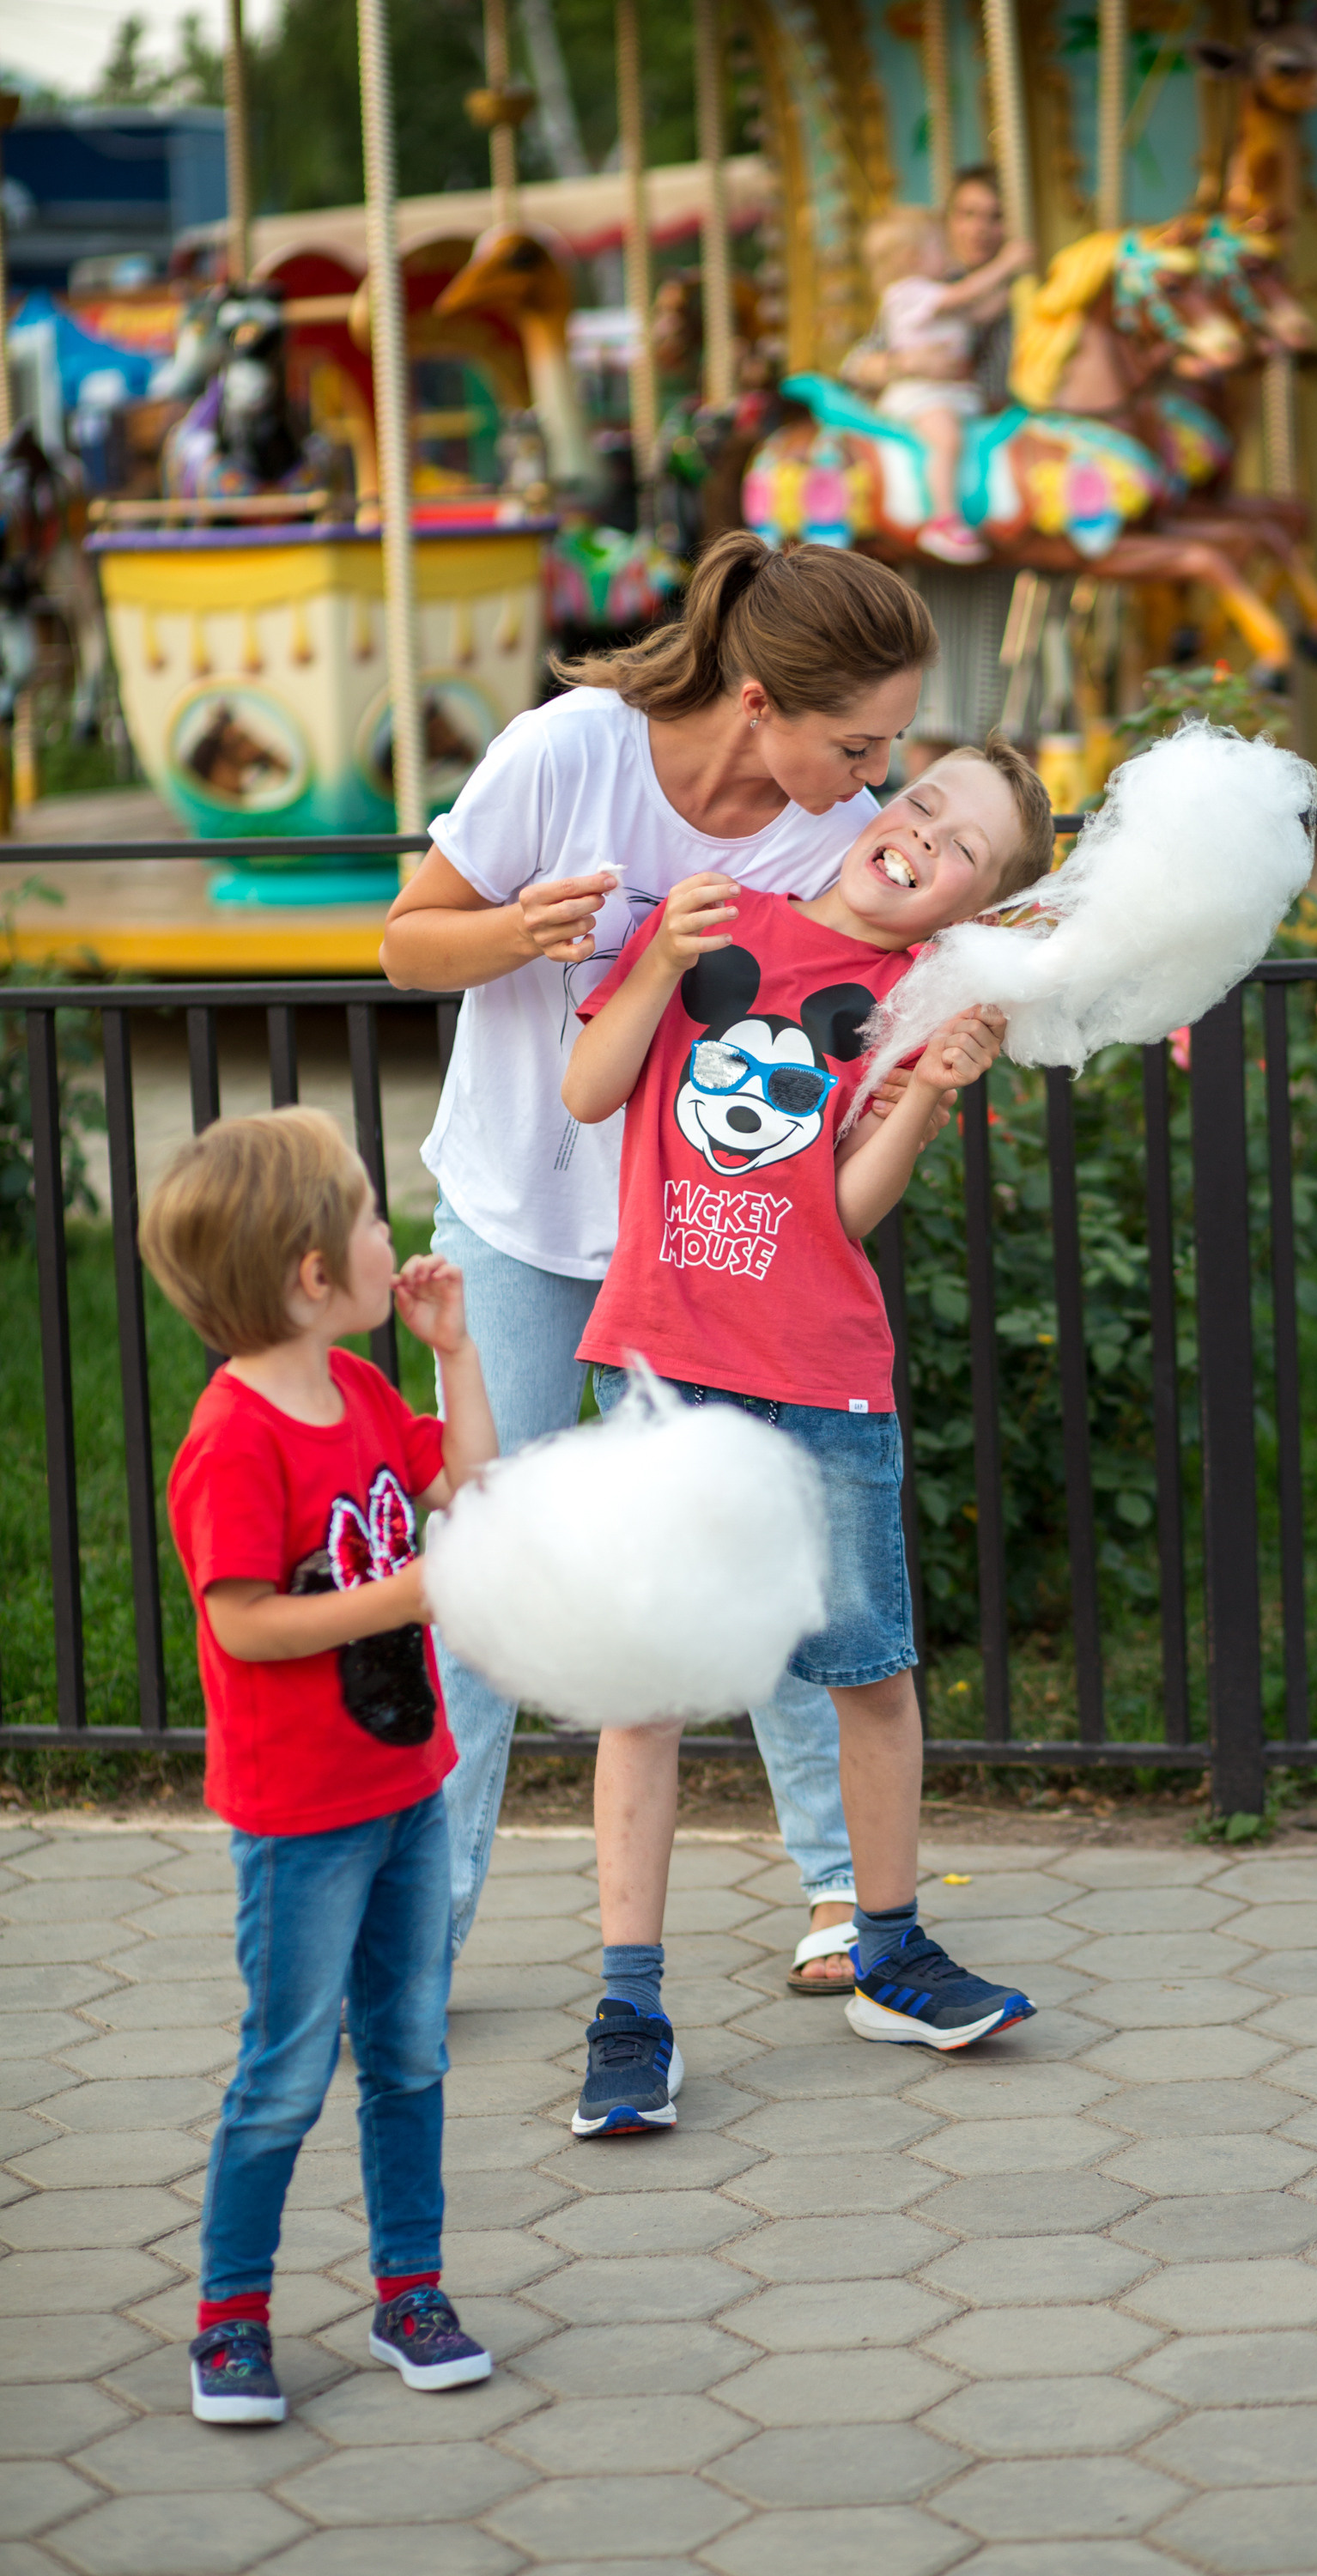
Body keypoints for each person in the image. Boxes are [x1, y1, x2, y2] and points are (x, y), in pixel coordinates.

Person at [379, 533, 938, 1999]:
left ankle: (838, 1891)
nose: (875, 772)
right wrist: (522, 929)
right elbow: (405, 946)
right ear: (759, 699)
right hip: (517, 1212)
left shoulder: (836, 835)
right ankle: (419, 1937)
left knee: (759, 1544)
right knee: (487, 1555)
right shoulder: (570, 754)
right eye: (856, 739)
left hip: (716, 1257)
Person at [557, 738, 1056, 2135]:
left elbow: (843, 1215)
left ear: (968, 905)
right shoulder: (720, 918)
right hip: (666, 1370)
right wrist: (661, 957)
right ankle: (629, 2005)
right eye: (923, 803)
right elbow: (588, 1093)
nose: (923, 835)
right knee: (645, 1695)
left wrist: (936, 1089)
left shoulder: (913, 1003)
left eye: (964, 847)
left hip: (826, 1374)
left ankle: (888, 1953)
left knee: (870, 1675)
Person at [140, 1109, 498, 2426]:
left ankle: (412, 2290)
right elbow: (241, 1621)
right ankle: (229, 2320)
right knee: (286, 2070)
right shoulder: (235, 1439)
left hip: (409, 1787)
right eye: (365, 1216)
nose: (384, 1236)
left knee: (407, 2052)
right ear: (308, 1271)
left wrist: (454, 1357)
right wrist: (403, 1597)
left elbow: (466, 1483)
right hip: (300, 1819)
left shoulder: (358, 1393)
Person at [863, 204, 1035, 568]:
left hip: (954, 394)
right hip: (924, 395)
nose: (947, 255)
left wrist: (1018, 289)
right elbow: (966, 296)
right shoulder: (908, 293)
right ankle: (941, 521)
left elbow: (978, 312)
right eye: (939, 248)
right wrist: (1007, 263)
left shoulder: (935, 294)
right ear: (912, 258)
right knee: (946, 439)